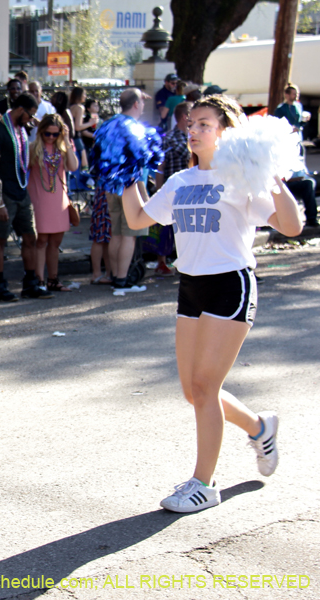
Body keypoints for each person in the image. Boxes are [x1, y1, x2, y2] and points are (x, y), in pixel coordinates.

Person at [120, 94, 301, 512]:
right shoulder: (181, 181)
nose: (193, 130)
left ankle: (204, 484)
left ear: (225, 131)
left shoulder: (241, 178)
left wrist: (272, 177)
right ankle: (259, 427)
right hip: (191, 286)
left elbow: (290, 227)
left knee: (205, 387)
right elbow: (138, 219)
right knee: (193, 390)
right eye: (191, 123)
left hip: (230, 284)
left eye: (204, 123)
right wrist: (127, 175)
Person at [0, 92, 54, 300]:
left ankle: (30, 283)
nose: (31, 119)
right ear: (20, 110)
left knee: (30, 237)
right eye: (30, 114)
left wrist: (37, 123)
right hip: (4, 196)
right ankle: (0, 286)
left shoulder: (21, 130)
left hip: (22, 192)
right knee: (1, 240)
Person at [103, 89, 149, 294]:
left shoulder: (109, 125)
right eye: (142, 101)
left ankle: (115, 275)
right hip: (131, 185)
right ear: (136, 104)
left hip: (111, 184)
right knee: (129, 234)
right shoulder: (133, 128)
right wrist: (142, 191)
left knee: (117, 233)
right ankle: (122, 279)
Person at [28, 114, 78, 292]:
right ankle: (40, 280)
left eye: (55, 134)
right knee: (41, 240)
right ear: (41, 132)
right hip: (39, 198)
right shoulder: (33, 148)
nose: (51, 137)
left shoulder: (63, 148)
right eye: (47, 134)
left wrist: (66, 140)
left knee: (56, 242)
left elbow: (73, 167)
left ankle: (53, 279)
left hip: (59, 199)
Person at [150, 101, 192, 275]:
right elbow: (161, 165)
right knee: (167, 228)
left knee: (187, 228)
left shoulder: (192, 137)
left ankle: (186, 262)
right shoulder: (171, 138)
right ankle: (162, 262)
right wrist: (159, 189)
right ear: (184, 117)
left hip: (191, 191)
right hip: (175, 190)